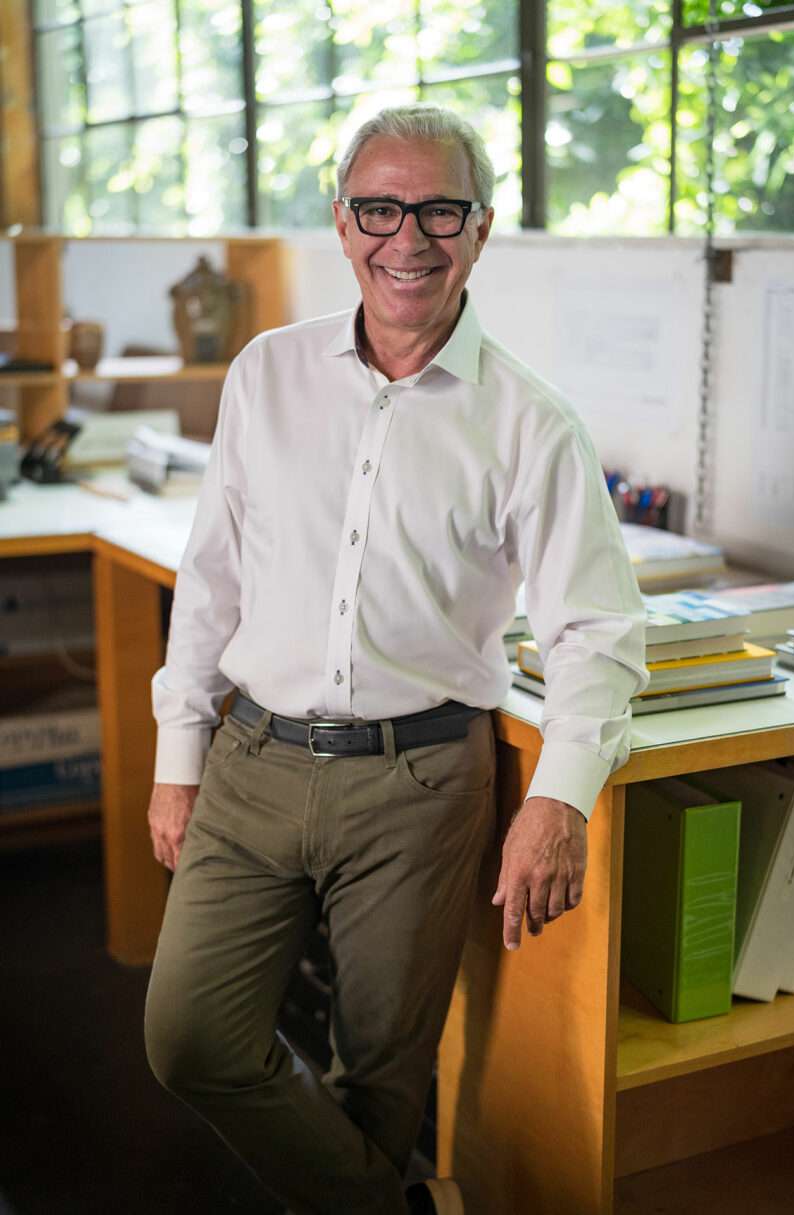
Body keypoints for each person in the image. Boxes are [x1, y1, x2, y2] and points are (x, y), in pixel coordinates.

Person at [144, 104, 648, 1215]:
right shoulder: (265, 375)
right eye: (380, 207)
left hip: (417, 783)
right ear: (341, 221)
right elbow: (213, 579)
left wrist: (559, 802)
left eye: (438, 209)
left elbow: (599, 632)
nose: (406, 237)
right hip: (253, 761)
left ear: (481, 228)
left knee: (381, 1077)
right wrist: (178, 755)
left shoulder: (529, 421)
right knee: (188, 1039)